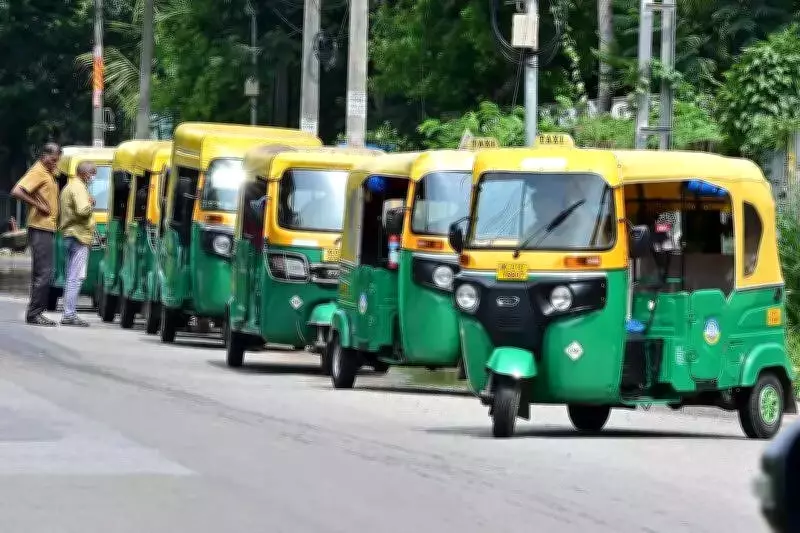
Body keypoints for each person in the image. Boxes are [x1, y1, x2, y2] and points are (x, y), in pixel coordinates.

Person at [11, 143, 61, 326]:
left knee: (43, 272)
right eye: (53, 160)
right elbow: (17, 191)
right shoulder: (38, 171)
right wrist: (38, 204)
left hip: (46, 227)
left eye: (57, 160)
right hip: (40, 227)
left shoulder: (48, 172)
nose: (55, 163)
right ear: (44, 156)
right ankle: (34, 313)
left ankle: (36, 312)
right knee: (44, 273)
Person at [59, 161, 97, 327]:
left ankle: (68, 313)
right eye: (93, 174)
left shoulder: (69, 186)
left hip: (71, 235)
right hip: (78, 236)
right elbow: (82, 210)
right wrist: (91, 204)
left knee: (71, 277)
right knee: (76, 277)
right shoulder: (79, 187)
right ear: (85, 174)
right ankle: (69, 314)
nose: (93, 177)